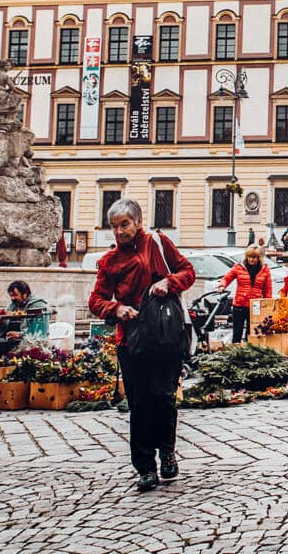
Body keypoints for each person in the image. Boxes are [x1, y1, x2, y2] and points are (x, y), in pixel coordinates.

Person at [89, 198, 196, 492]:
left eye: (124, 224)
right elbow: (95, 300)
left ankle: (167, 453)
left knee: (163, 397)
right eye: (114, 227)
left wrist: (169, 283)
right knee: (139, 404)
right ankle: (145, 467)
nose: (120, 232)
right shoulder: (110, 262)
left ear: (138, 222)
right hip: (132, 340)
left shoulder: (159, 243)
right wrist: (116, 309)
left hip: (165, 335)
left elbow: (188, 272)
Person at [218, 245, 273, 343]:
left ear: (259, 258)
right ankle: (235, 353)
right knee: (237, 333)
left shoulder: (265, 270)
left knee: (251, 333)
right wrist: (222, 286)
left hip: (255, 305)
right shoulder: (239, 267)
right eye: (250, 257)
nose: (251, 259)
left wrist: (267, 304)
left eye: (254, 257)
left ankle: (248, 353)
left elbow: (267, 289)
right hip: (240, 304)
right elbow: (227, 278)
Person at [0, 280, 52, 356]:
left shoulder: (39, 306)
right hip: (8, 339)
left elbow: (38, 330)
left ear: (25, 294)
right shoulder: (13, 305)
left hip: (26, 342)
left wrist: (19, 334)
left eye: (15, 295)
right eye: (11, 296)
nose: (12, 298)